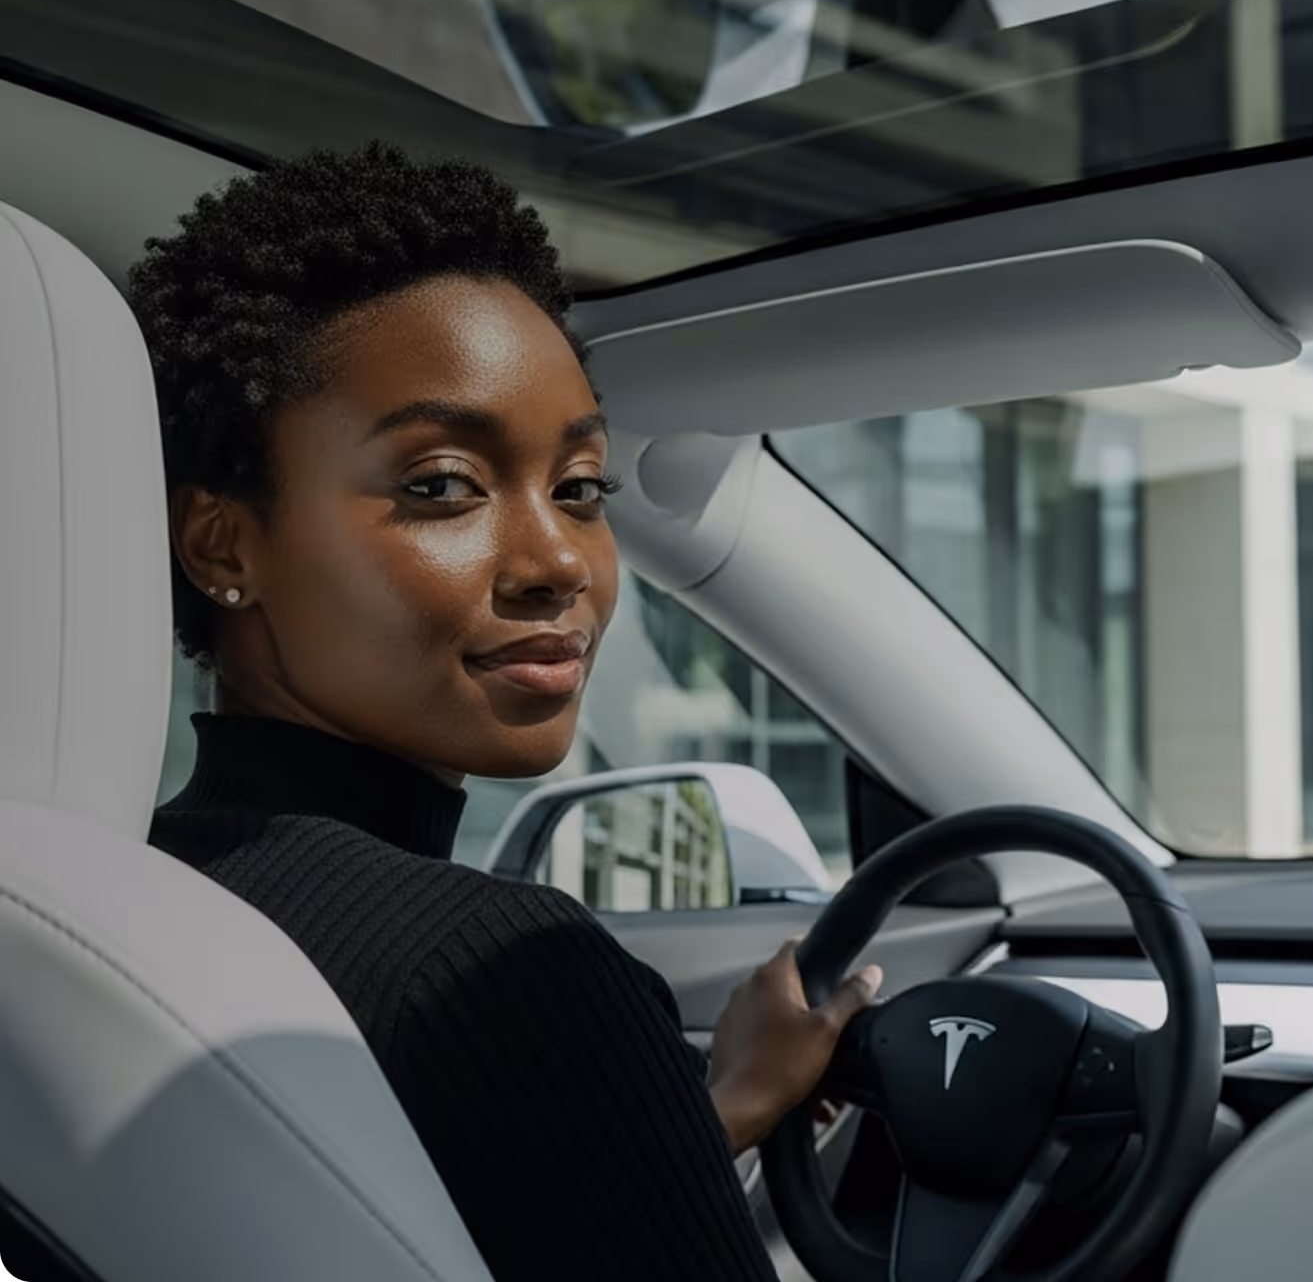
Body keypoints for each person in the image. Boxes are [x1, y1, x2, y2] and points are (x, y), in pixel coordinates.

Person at [133, 141, 881, 1281]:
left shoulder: (125, 889)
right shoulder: (502, 974)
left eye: (581, 489)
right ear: (223, 542)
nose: (556, 562)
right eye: (441, 485)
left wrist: (706, 1110)